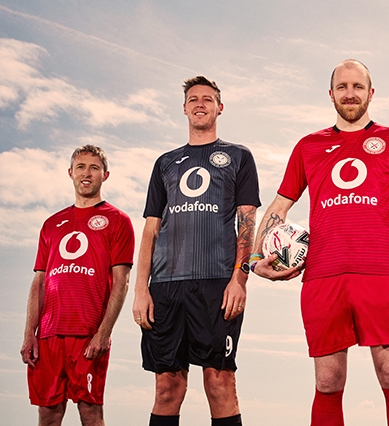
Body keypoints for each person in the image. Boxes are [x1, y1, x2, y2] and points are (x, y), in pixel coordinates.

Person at [250, 59, 389, 426]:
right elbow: (280, 205)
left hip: (379, 273)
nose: (350, 93)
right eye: (342, 87)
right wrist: (254, 260)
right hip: (322, 276)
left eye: (358, 86)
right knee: (328, 380)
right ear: (330, 94)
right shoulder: (308, 146)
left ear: (371, 93)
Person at [132, 76, 260, 426]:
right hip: (166, 286)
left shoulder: (238, 156)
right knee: (167, 388)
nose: (200, 103)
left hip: (217, 284)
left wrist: (240, 280)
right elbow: (150, 230)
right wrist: (141, 289)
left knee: (220, 383)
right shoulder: (165, 163)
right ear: (184, 108)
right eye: (193, 99)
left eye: (207, 98)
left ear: (220, 107)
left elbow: (247, 223)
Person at [21, 145, 134, 426]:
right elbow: (39, 282)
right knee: (48, 415)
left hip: (87, 333)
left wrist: (103, 333)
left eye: (94, 168)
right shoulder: (51, 224)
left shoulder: (118, 221)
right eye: (81, 167)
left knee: (90, 413)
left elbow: (121, 282)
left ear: (105, 175)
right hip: (48, 335)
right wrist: (29, 334)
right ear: (70, 173)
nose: (87, 173)